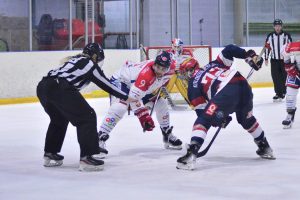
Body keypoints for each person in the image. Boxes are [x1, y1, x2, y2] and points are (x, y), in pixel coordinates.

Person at [176, 44, 276, 170]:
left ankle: (191, 153)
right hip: (243, 84)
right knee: (246, 119)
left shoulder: (192, 86)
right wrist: (249, 56)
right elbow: (229, 49)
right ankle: (265, 146)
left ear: (190, 72)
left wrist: (219, 119)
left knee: (203, 120)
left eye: (184, 74)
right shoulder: (214, 64)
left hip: (226, 92)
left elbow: (203, 114)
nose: (184, 77)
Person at [37, 43, 130, 171]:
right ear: (95, 56)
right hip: (60, 87)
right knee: (87, 116)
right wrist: (126, 96)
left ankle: (50, 153)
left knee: (59, 119)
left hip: (43, 86)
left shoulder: (75, 60)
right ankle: (87, 158)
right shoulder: (89, 63)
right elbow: (106, 84)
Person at [97, 51, 182, 158]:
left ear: (169, 67)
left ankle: (167, 134)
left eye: (163, 69)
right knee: (120, 107)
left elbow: (178, 60)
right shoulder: (146, 75)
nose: (159, 71)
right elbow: (133, 99)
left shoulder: (173, 66)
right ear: (154, 63)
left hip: (139, 85)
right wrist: (144, 117)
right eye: (157, 67)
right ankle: (100, 138)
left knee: (161, 103)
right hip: (122, 82)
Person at [265, 19, 292, 102]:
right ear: (274, 26)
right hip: (274, 60)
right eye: (276, 26)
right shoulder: (270, 36)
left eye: (279, 26)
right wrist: (266, 58)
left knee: (284, 77)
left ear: (281, 26)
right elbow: (267, 47)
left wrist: (291, 59)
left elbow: (290, 47)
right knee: (275, 77)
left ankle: (284, 92)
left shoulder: (287, 35)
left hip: (285, 60)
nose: (277, 28)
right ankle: (278, 93)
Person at [165, 38, 195, 105]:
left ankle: (192, 102)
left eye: (178, 46)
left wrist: (184, 69)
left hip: (183, 74)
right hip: (170, 74)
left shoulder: (188, 52)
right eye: (175, 46)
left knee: (185, 86)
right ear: (172, 46)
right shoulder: (167, 53)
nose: (176, 48)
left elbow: (192, 64)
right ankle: (160, 99)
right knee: (169, 82)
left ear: (182, 46)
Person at [281, 41, 300, 129]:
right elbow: (286, 59)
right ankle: (290, 114)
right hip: (295, 73)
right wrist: (290, 68)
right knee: (290, 95)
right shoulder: (290, 46)